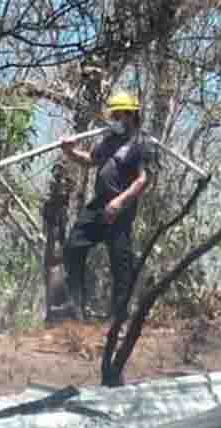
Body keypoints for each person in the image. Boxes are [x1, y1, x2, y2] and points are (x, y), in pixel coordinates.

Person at [59, 90, 155, 322]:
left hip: (120, 210)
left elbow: (144, 179)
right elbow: (90, 160)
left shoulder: (142, 144)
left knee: (120, 264)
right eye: (113, 115)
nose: (115, 119)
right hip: (98, 205)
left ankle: (118, 318)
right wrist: (69, 151)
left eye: (119, 115)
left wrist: (119, 202)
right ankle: (76, 307)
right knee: (73, 247)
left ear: (132, 115)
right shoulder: (109, 140)